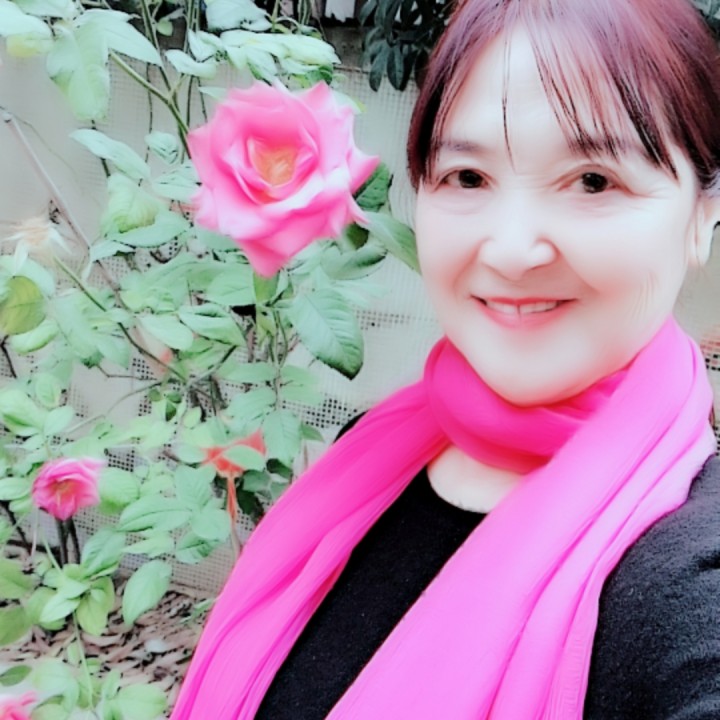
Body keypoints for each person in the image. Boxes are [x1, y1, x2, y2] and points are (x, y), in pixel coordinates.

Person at [171, 0, 720, 717]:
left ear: (703, 214)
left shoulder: (688, 578)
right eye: (467, 177)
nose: (512, 251)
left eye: (593, 180)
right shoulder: (368, 463)